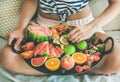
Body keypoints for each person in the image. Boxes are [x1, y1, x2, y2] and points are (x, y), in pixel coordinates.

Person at [0, 0, 120, 75]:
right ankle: (77, 69)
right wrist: (21, 28)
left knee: (117, 60)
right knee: (7, 57)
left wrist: (92, 27)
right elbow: (31, 1)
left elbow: (116, 2)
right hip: (45, 25)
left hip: (83, 26)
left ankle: (53, 69)